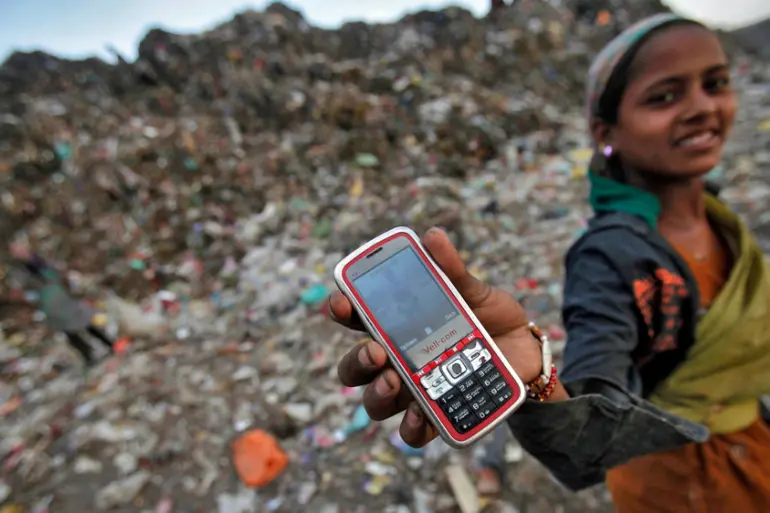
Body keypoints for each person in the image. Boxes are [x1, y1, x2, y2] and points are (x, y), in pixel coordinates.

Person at [329, 13, 770, 512]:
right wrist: (540, 382)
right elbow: (589, 425)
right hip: (689, 485)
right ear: (607, 131)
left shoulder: (717, 212)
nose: (700, 107)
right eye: (664, 96)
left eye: (715, 83)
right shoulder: (611, 257)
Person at [9, 242, 114, 366]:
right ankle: (88, 355)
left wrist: (69, 283)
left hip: (62, 295)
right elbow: (21, 290)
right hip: (49, 304)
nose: (21, 253)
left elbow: (57, 271)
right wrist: (33, 300)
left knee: (85, 321)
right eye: (17, 252)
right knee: (69, 331)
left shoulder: (39, 259)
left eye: (21, 249)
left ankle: (109, 343)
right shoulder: (18, 270)